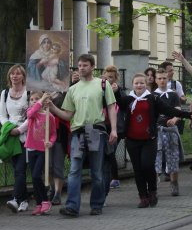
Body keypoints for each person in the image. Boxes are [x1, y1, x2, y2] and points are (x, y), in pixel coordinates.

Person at [47, 54, 118, 217]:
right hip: (78, 132)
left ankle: (97, 204)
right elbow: (67, 115)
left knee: (96, 171)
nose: (81, 68)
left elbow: (111, 107)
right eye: (79, 65)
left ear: (92, 67)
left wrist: (113, 129)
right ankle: (72, 205)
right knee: (74, 170)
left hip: (96, 131)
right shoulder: (73, 89)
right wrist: (52, 107)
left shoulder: (102, 84)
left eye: (85, 65)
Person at [118, 73, 192, 207]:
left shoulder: (153, 98)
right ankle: (143, 196)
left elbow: (169, 110)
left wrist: (188, 115)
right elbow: (117, 103)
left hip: (149, 139)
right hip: (132, 140)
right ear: (132, 85)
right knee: (137, 169)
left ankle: (152, 191)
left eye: (141, 83)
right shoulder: (128, 99)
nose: (139, 85)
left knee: (147, 165)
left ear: (146, 84)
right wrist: (116, 90)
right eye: (136, 83)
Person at [0, 64, 30, 213]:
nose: (15, 76)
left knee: (20, 169)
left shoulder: (28, 93)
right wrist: (9, 128)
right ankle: (24, 200)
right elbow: (2, 115)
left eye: (18, 74)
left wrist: (20, 129)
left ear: (23, 77)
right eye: (12, 74)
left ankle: (15, 199)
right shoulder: (5, 93)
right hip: (10, 135)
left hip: (25, 136)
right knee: (17, 170)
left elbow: (32, 115)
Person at [153, 69, 189, 196]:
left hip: (171, 131)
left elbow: (178, 111)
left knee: (173, 157)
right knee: (156, 158)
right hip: (158, 131)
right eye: (159, 78)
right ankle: (153, 187)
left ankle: (174, 183)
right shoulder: (152, 95)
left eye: (164, 78)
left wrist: (174, 119)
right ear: (156, 80)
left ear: (168, 79)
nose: (162, 81)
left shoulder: (173, 95)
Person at [25, 91, 58, 215]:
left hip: (42, 149)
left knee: (36, 175)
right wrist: (39, 101)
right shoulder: (32, 114)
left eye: (36, 99)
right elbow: (30, 113)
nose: (34, 101)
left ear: (44, 102)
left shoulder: (49, 116)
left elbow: (54, 133)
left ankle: (45, 200)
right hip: (31, 148)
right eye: (32, 99)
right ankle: (39, 203)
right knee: (34, 178)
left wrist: (51, 142)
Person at [102, 65, 125, 193]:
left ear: (116, 78)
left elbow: (123, 104)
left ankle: (115, 178)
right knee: (107, 153)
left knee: (111, 152)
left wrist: (116, 93)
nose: (108, 79)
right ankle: (110, 177)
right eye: (106, 77)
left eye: (111, 77)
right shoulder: (101, 88)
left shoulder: (119, 90)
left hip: (117, 127)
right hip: (103, 125)